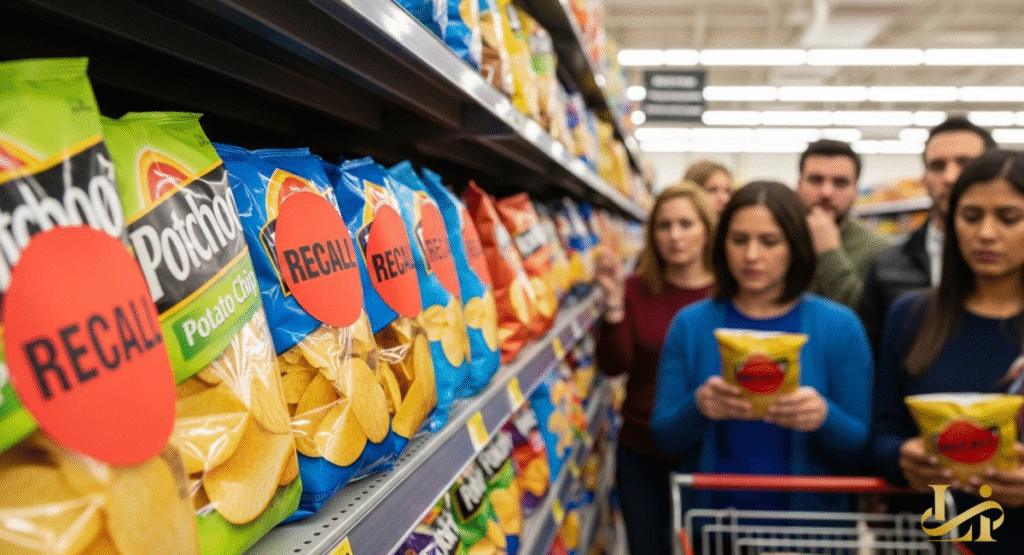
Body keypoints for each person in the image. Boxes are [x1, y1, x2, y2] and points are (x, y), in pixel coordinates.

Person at [651, 181, 873, 515]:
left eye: (770, 242)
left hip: (807, 534)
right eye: (739, 240)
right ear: (722, 243)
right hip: (712, 527)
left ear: (796, 246)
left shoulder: (840, 327)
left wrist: (823, 417)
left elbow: (859, 446)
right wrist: (698, 405)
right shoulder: (691, 324)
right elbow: (664, 437)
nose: (752, 255)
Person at [869, 149, 1024, 553]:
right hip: (929, 537)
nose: (986, 234)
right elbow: (882, 431)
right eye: (971, 217)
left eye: (1009, 218)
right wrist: (902, 454)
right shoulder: (911, 316)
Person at [595, 183, 716, 555]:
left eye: (686, 224)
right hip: (641, 449)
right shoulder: (634, 288)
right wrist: (614, 305)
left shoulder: (728, 295)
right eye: (664, 226)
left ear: (707, 230)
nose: (674, 235)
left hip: (707, 450)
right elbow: (616, 366)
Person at [858, 117, 996, 352]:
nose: (950, 177)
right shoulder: (886, 267)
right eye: (937, 166)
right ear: (924, 179)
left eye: (965, 163)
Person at [796, 139, 890, 309]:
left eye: (840, 183)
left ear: (855, 191)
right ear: (799, 185)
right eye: (816, 180)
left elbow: (865, 319)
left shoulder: (880, 251)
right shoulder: (777, 239)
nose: (826, 192)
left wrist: (829, 252)